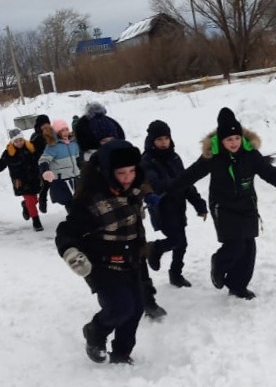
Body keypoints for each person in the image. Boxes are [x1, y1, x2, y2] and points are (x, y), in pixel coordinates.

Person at [174, 107, 276, 299]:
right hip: (223, 206)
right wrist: (168, 189)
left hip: (247, 205)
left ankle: (237, 285)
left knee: (249, 249)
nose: (234, 143)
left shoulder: (251, 153)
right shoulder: (212, 156)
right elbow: (191, 174)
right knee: (236, 246)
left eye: (236, 138)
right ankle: (218, 263)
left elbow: (269, 172)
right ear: (221, 140)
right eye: (228, 139)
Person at [55, 139, 146, 365]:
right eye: (121, 172)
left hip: (132, 260)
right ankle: (95, 331)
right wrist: (70, 251)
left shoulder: (133, 190)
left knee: (136, 308)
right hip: (103, 265)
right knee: (121, 307)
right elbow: (67, 230)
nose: (128, 177)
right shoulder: (91, 200)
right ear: (108, 171)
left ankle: (122, 353)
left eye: (132, 171)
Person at [75, 101, 166, 320]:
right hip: (107, 231)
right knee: (117, 274)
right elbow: (83, 198)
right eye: (105, 140)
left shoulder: (123, 157)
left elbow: (138, 177)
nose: (109, 142)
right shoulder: (92, 167)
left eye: (112, 138)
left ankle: (148, 301)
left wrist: (149, 194)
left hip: (132, 225)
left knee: (139, 262)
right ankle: (116, 308)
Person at [141, 120, 208, 288]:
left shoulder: (175, 157)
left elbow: (187, 183)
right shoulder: (147, 160)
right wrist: (177, 183)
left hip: (178, 206)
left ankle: (175, 274)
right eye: (159, 139)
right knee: (177, 240)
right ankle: (154, 248)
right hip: (162, 207)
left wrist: (199, 204)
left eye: (166, 138)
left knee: (181, 242)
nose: (163, 143)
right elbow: (155, 184)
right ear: (152, 141)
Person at [0, 128, 43, 231]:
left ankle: (26, 206)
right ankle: (36, 222)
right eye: (16, 141)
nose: (19, 143)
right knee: (29, 200)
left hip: (34, 179)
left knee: (35, 199)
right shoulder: (9, 154)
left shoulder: (31, 148)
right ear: (12, 141)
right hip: (21, 182)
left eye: (21, 140)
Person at [38, 119, 80, 212]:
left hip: (75, 177)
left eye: (66, 129)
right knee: (70, 204)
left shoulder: (73, 144)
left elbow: (78, 159)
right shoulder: (53, 146)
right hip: (62, 181)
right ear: (57, 133)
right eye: (62, 131)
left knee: (80, 202)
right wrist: (46, 171)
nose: (65, 133)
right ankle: (74, 222)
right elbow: (43, 160)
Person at [29, 114, 52, 213]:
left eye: (47, 124)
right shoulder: (36, 137)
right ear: (39, 126)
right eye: (43, 125)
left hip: (52, 162)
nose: (46, 126)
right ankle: (42, 201)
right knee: (45, 184)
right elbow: (30, 152)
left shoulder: (52, 134)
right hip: (39, 164)